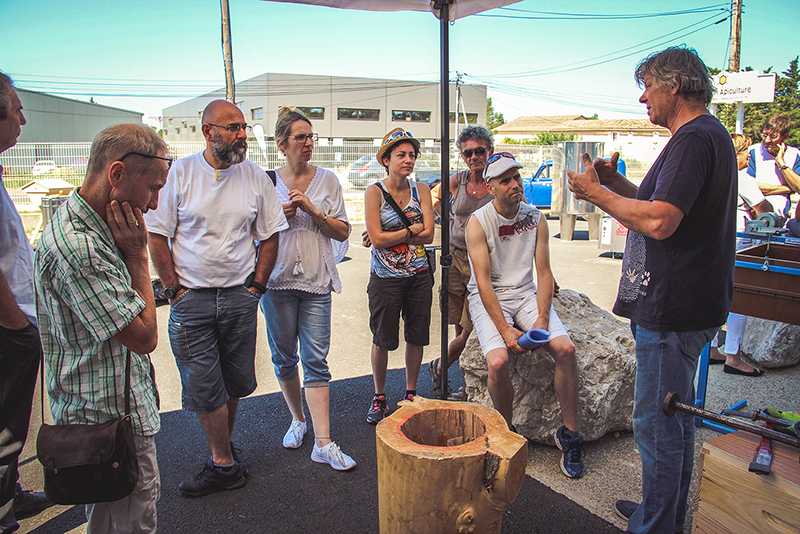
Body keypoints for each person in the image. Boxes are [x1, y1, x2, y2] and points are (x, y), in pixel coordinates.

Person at [567, 46, 737, 534]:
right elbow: (656, 202)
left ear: (674, 86)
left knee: (658, 426)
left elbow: (661, 221)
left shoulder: (693, 138)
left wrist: (595, 193)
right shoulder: (706, 136)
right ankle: (661, 513)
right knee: (674, 419)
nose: (643, 97)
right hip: (687, 304)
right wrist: (613, 181)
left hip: (674, 308)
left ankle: (657, 525)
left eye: (647, 86)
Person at [145, 100, 288, 497]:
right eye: (232, 127)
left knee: (233, 381)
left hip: (241, 298)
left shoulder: (256, 177)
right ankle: (224, 464)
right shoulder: (181, 174)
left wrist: (257, 287)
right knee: (205, 384)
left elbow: (271, 234)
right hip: (193, 301)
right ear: (208, 131)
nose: (242, 134)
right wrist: (173, 289)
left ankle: (221, 451)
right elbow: (157, 235)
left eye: (243, 126)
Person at [35, 123, 169, 532]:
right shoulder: (82, 247)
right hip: (108, 425)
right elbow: (144, 336)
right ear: (116, 174)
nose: (154, 202)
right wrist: (137, 255)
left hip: (109, 417)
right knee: (126, 522)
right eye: (152, 188)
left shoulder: (94, 223)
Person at [465, 152, 584, 479]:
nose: (516, 184)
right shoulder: (478, 222)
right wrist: (505, 330)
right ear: (491, 188)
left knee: (566, 350)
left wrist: (541, 323)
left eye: (517, 176)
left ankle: (570, 435)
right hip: (490, 297)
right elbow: (484, 281)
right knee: (499, 362)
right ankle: (506, 432)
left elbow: (544, 273)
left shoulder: (536, 218)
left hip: (525, 293)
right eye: (506, 180)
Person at [260, 107, 355, 470]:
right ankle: (297, 419)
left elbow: (343, 231)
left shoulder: (328, 180)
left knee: (317, 360)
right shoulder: (266, 181)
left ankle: (323, 442)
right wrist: (277, 217)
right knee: (284, 356)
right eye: (300, 137)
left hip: (316, 283)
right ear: (282, 144)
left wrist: (314, 211)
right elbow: (251, 233)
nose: (308, 143)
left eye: (311, 136)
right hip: (277, 282)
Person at [0, 72, 52, 534]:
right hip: (8, 327)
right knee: (5, 425)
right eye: (16, 108)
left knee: (13, 420)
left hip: (15, 320)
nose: (23, 116)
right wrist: (17, 326)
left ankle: (10, 492)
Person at [364, 128, 434, 424]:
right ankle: (379, 395)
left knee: (416, 335)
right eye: (401, 155)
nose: (408, 160)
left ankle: (410, 393)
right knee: (382, 338)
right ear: (386, 159)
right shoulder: (374, 192)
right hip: (385, 277)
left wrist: (392, 235)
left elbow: (429, 235)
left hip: (418, 275)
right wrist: (411, 231)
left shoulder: (423, 190)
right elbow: (377, 240)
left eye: (412, 155)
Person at [428, 125, 495, 400]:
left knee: (471, 327)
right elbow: (433, 196)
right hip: (456, 257)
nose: (474, 157)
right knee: (458, 323)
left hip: (486, 261)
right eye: (468, 153)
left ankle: (441, 365)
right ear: (462, 155)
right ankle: (466, 387)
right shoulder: (459, 180)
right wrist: (446, 219)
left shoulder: (498, 180)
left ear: (489, 151)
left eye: (480, 151)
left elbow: (521, 213)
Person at [709, 133, 772, 376]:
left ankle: (712, 347)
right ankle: (733, 355)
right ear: (738, 153)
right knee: (740, 299)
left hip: (715, 240)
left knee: (715, 294)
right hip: (740, 240)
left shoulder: (714, 172)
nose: (749, 157)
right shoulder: (742, 177)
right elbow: (765, 210)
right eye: (747, 153)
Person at [747, 113, 800, 218]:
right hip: (756, 215)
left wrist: (781, 163)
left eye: (773, 136)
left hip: (781, 215)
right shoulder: (753, 152)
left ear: (785, 137)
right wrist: (788, 189)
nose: (767, 140)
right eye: (765, 135)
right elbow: (749, 186)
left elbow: (798, 186)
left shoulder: (794, 154)